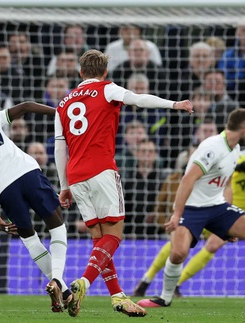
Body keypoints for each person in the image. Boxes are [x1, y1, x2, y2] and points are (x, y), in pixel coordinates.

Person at [53, 49, 193, 317]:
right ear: (105, 72)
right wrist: (173, 104)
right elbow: (138, 99)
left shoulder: (63, 104)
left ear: (80, 72)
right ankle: (83, 282)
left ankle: (118, 296)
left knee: (99, 241)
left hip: (76, 175)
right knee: (114, 236)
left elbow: (60, 147)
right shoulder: (107, 89)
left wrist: (64, 185)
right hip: (102, 170)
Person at [132, 132, 245, 297]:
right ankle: (146, 281)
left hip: (230, 216)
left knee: (213, 244)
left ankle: (176, 285)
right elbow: (221, 159)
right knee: (179, 245)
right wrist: (238, 167)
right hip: (210, 203)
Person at [136, 109, 245, 309]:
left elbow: (226, 185)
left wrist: (228, 223)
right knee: (177, 253)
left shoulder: (234, 149)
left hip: (217, 207)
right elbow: (187, 179)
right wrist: (177, 214)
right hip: (192, 208)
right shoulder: (212, 147)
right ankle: (165, 298)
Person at [0, 101, 71, 312]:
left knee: (29, 238)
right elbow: (26, 106)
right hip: (27, 172)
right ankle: (57, 279)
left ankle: (64, 291)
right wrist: (60, 114)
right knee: (57, 226)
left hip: (3, 188)